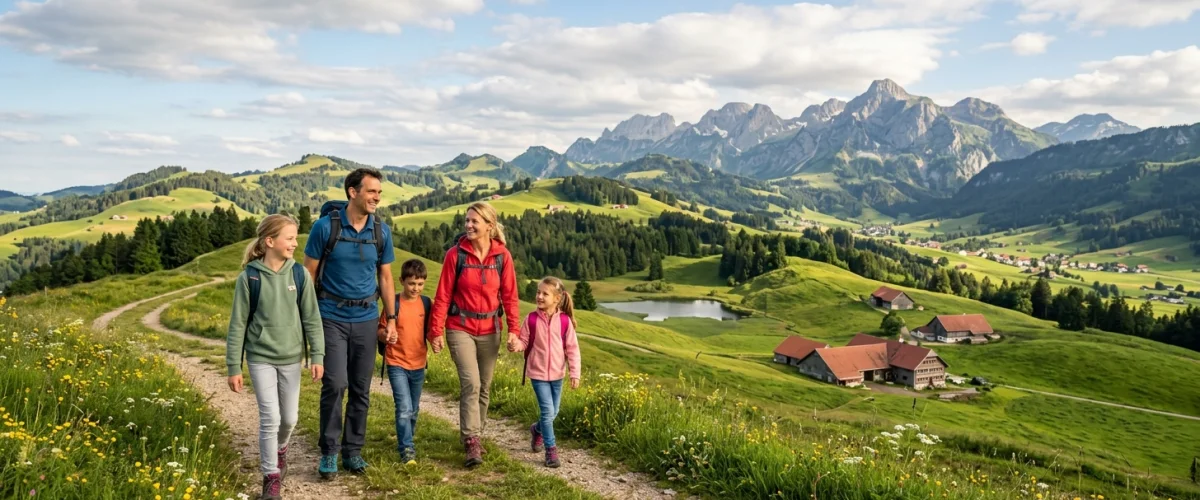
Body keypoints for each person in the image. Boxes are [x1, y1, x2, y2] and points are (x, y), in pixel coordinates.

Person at [304, 167, 397, 478]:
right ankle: (329, 451)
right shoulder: (324, 228)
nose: (377, 198)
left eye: (379, 193)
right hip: (330, 316)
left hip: (367, 318)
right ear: (353, 192)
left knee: (360, 387)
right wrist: (307, 319)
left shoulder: (381, 232)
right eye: (371, 191)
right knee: (335, 384)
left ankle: (352, 451)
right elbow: (308, 275)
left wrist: (391, 319)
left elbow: (386, 277)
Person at [225, 214, 325, 500]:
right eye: (289, 238)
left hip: (291, 358)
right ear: (270, 241)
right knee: (270, 417)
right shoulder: (250, 278)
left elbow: (312, 318)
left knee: (289, 419)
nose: (295, 243)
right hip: (260, 358)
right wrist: (233, 366)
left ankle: (281, 449)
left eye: (295, 238)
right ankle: (270, 477)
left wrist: (317, 355)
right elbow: (237, 324)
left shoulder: (299, 275)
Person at [427, 201, 520, 468]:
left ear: (489, 226)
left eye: (474, 221)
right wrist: (436, 331)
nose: (468, 225)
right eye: (467, 220)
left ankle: (475, 434)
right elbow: (443, 295)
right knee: (472, 383)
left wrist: (514, 330)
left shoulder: (502, 256)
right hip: (460, 327)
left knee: (485, 386)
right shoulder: (455, 255)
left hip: (491, 330)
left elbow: (510, 297)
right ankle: (471, 440)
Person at [508, 276, 581, 468]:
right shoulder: (531, 319)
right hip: (537, 374)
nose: (539, 296)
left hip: (557, 375)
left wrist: (575, 373)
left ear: (557, 298)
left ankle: (537, 430)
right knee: (548, 412)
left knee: (553, 412)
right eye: (538, 292)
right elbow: (524, 341)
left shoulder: (564, 321)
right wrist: (516, 345)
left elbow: (572, 349)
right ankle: (551, 451)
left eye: (544, 294)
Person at [377, 258, 432, 465]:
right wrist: (386, 336)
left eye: (420, 284)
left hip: (419, 364)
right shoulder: (394, 303)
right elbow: (380, 330)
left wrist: (436, 340)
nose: (416, 288)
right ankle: (407, 448)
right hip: (396, 362)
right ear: (401, 281)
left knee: (414, 409)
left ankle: (406, 436)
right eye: (411, 283)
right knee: (404, 408)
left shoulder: (426, 304)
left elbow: (431, 329)